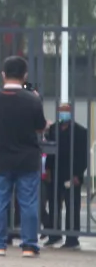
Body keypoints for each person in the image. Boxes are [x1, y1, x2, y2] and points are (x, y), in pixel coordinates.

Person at [0, 56, 47, 257]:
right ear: (24, 75)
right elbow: (40, 126)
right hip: (27, 158)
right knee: (28, 202)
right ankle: (29, 246)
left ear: (3, 75)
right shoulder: (32, 99)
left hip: (0, 157)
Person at [43, 102, 89, 250]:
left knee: (72, 206)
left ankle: (72, 238)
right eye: (61, 110)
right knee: (54, 204)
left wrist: (78, 174)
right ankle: (54, 235)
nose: (64, 113)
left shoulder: (80, 131)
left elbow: (83, 156)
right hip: (55, 172)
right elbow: (50, 151)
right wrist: (48, 170)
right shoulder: (53, 129)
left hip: (72, 174)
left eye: (66, 110)